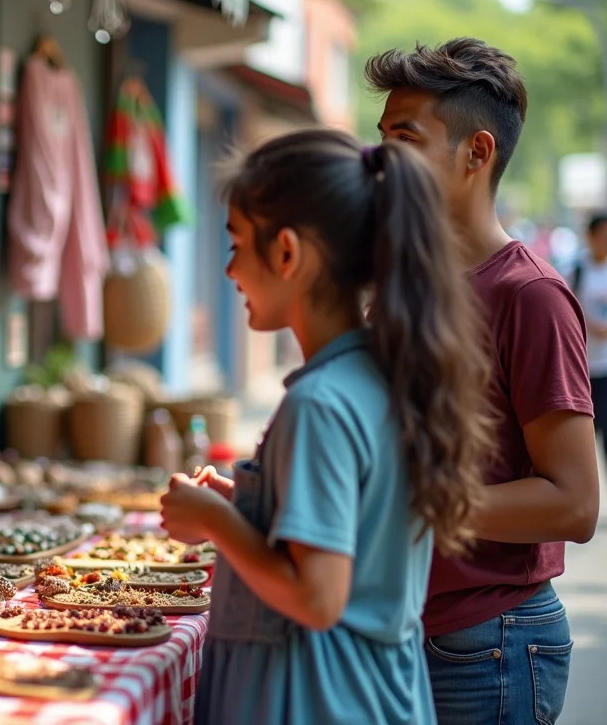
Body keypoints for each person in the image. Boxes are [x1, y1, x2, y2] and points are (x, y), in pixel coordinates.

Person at [161, 129, 494, 724]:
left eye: (236, 243)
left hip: (318, 699)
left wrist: (216, 522)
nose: (231, 268)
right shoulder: (378, 374)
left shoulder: (320, 404)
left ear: (287, 253)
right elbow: (359, 529)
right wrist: (249, 508)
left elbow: (318, 597)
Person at [368, 38, 598, 724]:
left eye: (405, 140)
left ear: (477, 153)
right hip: (404, 631)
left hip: (489, 645)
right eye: (380, 138)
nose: (381, 161)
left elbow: (574, 503)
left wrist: (417, 503)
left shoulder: (530, 295)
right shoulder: (403, 289)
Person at [570, 213, 607, 519]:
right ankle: (579, 496)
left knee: (606, 429)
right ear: (590, 237)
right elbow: (564, 309)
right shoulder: (577, 270)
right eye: (603, 234)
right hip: (584, 368)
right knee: (585, 434)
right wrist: (590, 324)